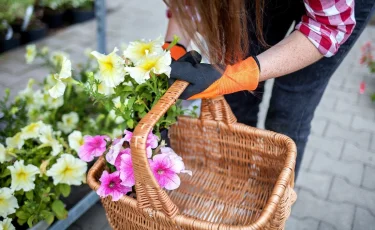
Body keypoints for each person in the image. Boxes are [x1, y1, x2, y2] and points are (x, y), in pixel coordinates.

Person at [163, 0, 375, 178]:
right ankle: (236, 180)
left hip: (331, 15)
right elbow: (187, 3)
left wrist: (238, 76)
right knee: (237, 98)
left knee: (288, 113)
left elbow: (326, 27)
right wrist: (172, 50)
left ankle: (272, 203)